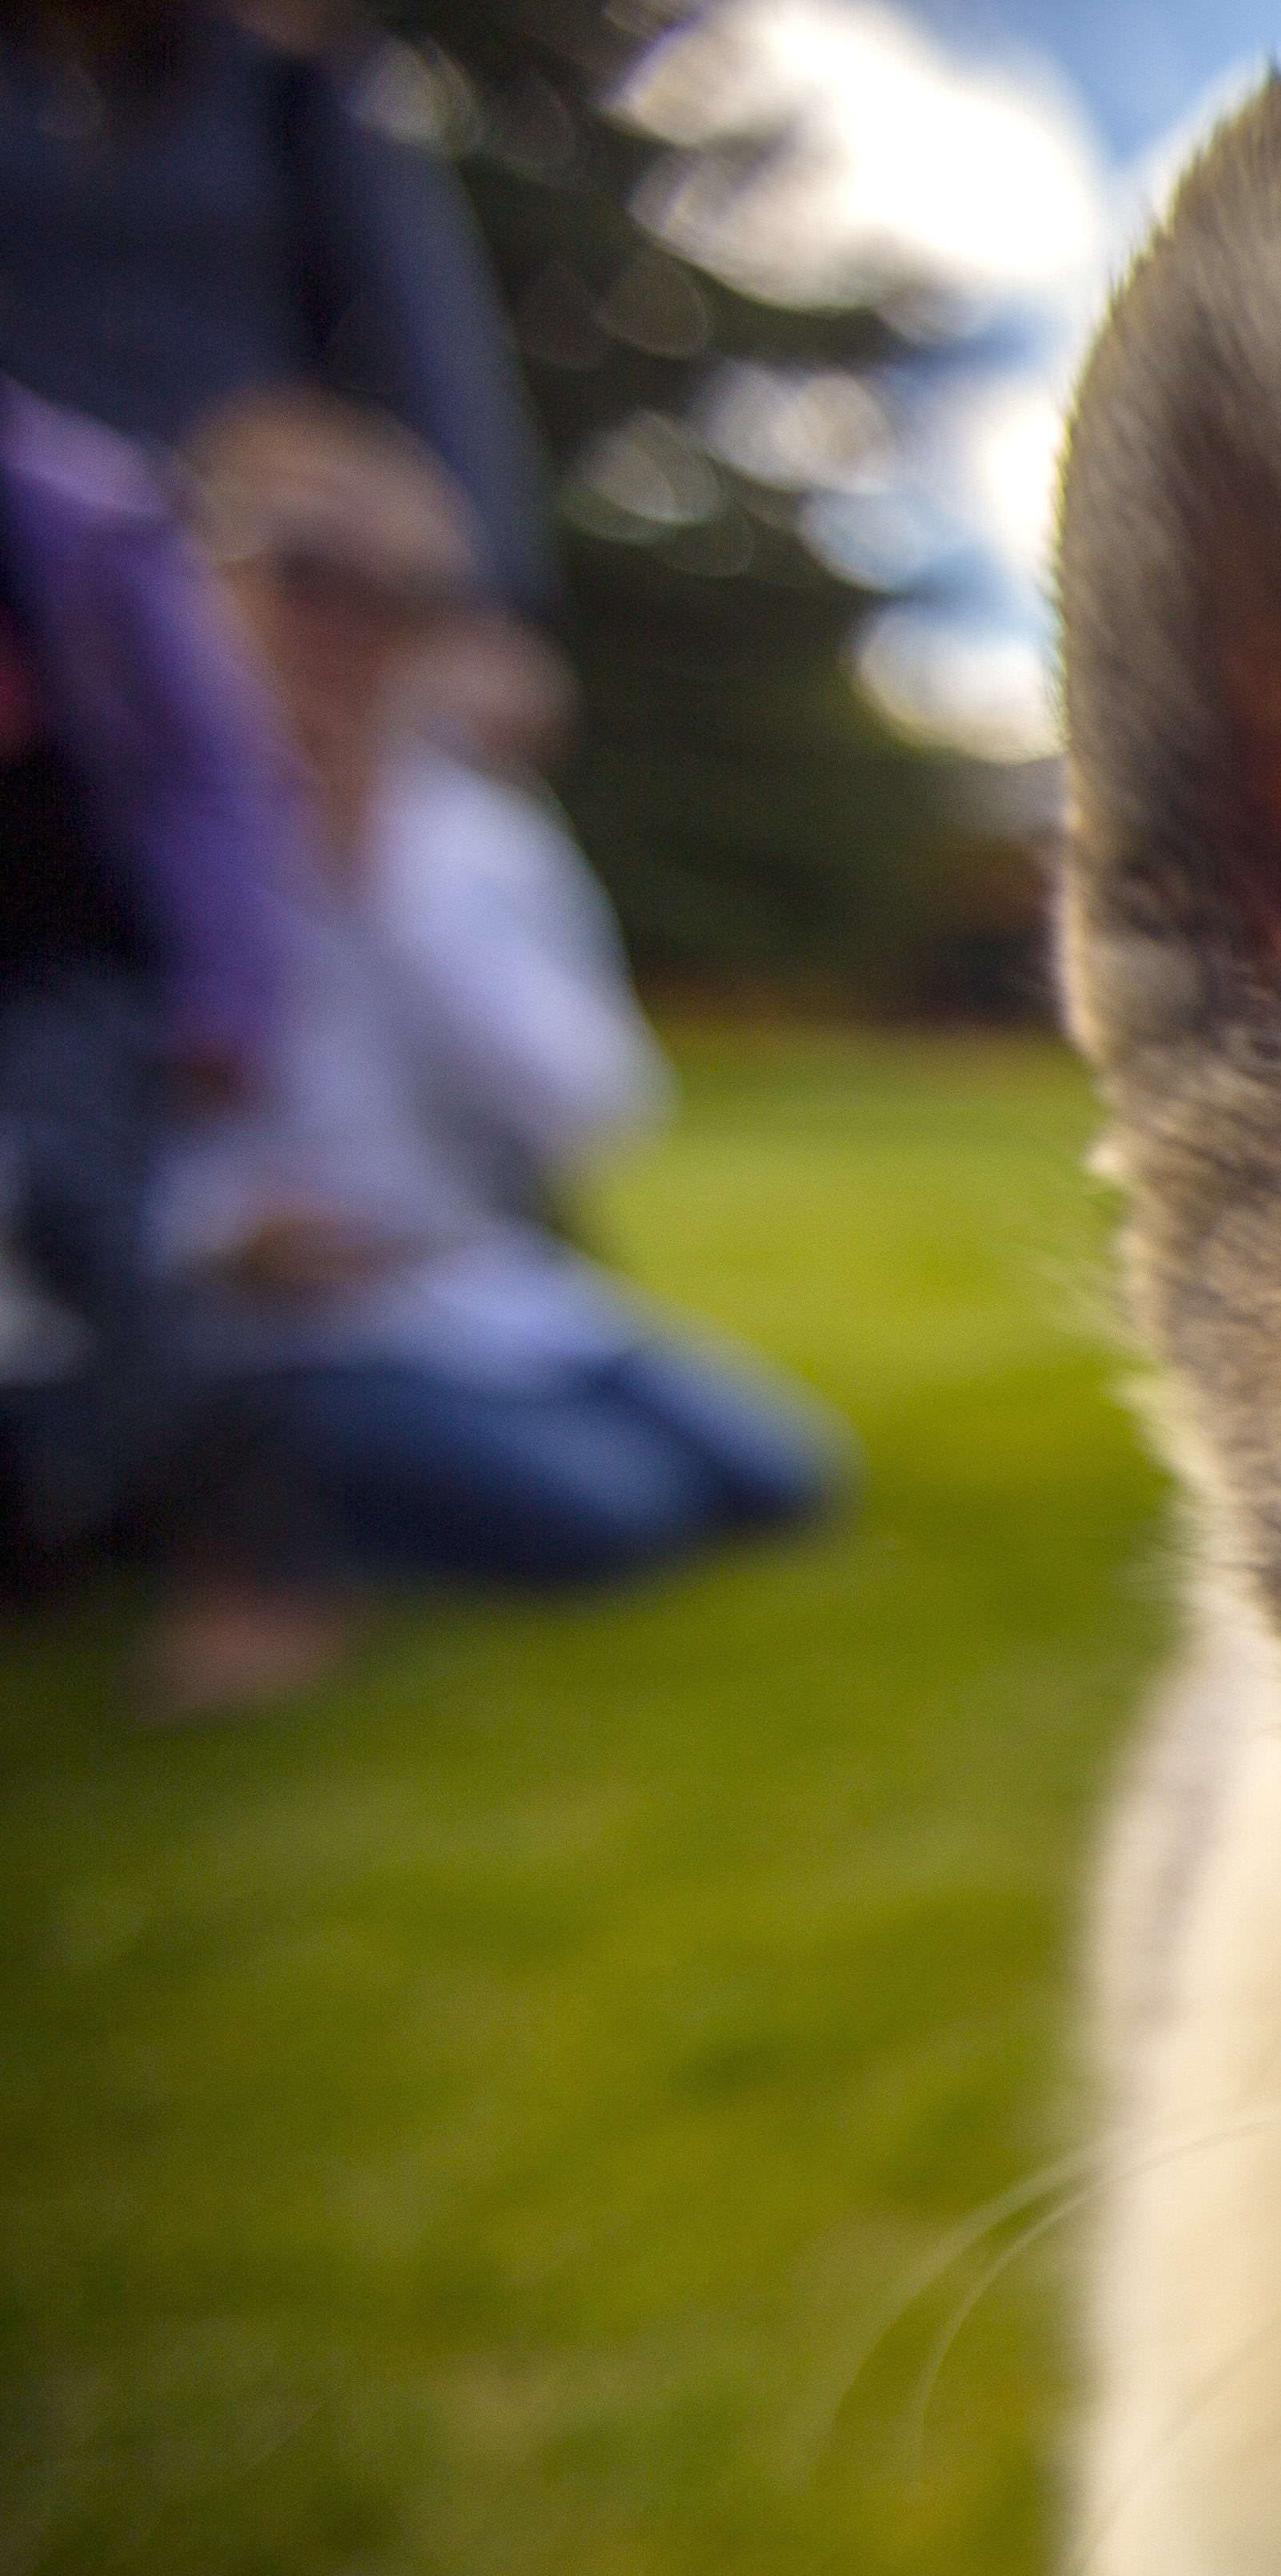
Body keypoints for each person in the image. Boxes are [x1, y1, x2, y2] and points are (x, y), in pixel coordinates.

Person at [147, 389, 833, 1698]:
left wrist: (373, 864)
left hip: (479, 1293)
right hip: (263, 1331)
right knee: (603, 1521)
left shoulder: (474, 834)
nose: (352, 623)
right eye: (305, 572)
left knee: (779, 1480)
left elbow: (589, 1102)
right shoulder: (129, 831)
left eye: (403, 591)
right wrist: (213, 1233)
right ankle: (212, 1516)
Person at [0, 376, 285, 1571]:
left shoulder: (84, 507)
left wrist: (229, 990)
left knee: (107, 1243)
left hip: (69, 956)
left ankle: (236, 1566)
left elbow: (209, 770)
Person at [0, 0, 552, 614]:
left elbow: (433, 346)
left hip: (229, 554)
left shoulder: (286, 83)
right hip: (29, 535)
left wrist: (491, 606)